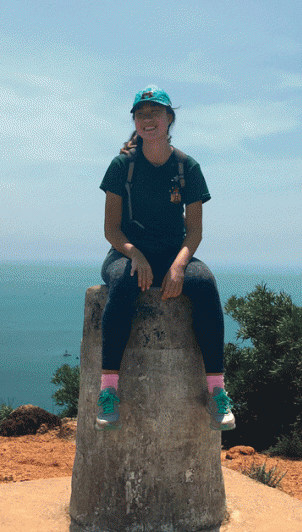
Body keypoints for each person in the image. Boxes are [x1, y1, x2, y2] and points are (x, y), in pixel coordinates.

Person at [96, 85, 235, 432]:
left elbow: (195, 232)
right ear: (135, 121)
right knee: (125, 282)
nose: (148, 120)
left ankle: (216, 391)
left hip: (175, 253)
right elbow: (112, 229)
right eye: (141, 114)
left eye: (155, 113)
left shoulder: (187, 167)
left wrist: (179, 265)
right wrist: (135, 254)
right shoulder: (121, 166)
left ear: (169, 118)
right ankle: (108, 391)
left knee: (204, 283)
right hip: (127, 252)